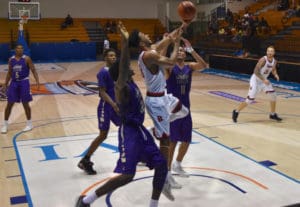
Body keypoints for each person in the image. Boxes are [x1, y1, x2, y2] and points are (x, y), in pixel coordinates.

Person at [76, 21, 168, 207]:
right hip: (129, 133)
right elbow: (124, 64)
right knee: (127, 175)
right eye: (125, 67)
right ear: (122, 73)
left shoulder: (131, 83)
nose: (130, 67)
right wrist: (125, 44)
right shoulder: (121, 87)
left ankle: (153, 205)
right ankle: (87, 200)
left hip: (140, 131)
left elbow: (129, 63)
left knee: (162, 166)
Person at [128, 24, 189, 192]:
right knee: (166, 142)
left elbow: (167, 39)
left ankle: (153, 130)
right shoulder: (149, 54)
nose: (147, 33)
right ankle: (164, 176)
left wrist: (182, 26)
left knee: (183, 111)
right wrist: (176, 44)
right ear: (141, 43)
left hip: (164, 96)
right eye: (143, 34)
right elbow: (170, 62)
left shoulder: (151, 50)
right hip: (156, 101)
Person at [166, 38, 207, 178]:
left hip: (186, 108)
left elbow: (203, 65)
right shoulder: (170, 68)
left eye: (183, 51)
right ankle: (167, 170)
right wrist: (171, 44)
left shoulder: (189, 67)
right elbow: (164, 62)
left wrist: (191, 50)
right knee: (172, 141)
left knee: (186, 139)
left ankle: (177, 165)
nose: (181, 52)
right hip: (173, 109)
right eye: (178, 50)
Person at [77, 48, 120, 175]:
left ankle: (135, 154)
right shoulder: (103, 73)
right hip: (106, 107)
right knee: (103, 135)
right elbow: (102, 92)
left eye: (115, 55)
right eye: (111, 55)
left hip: (116, 106)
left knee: (126, 127)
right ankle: (85, 159)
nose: (113, 57)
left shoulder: (116, 72)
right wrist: (113, 104)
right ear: (105, 58)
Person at [232, 46, 282, 123]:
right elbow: (256, 71)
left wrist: (275, 75)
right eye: (268, 51)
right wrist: (264, 79)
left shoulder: (274, 61)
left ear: (274, 53)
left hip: (264, 81)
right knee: (250, 100)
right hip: (255, 80)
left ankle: (272, 114)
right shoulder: (263, 60)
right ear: (266, 52)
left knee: (273, 95)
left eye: (271, 51)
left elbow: (273, 69)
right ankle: (236, 111)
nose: (270, 52)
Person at [1, 44, 39, 134]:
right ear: (15, 50)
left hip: (24, 82)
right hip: (14, 83)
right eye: (18, 48)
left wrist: (37, 81)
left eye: (22, 48)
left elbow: (33, 70)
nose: (20, 50)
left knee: (25, 103)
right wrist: (5, 84)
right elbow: (9, 73)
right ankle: (5, 124)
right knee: (9, 104)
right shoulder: (11, 60)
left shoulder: (27, 59)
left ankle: (29, 124)